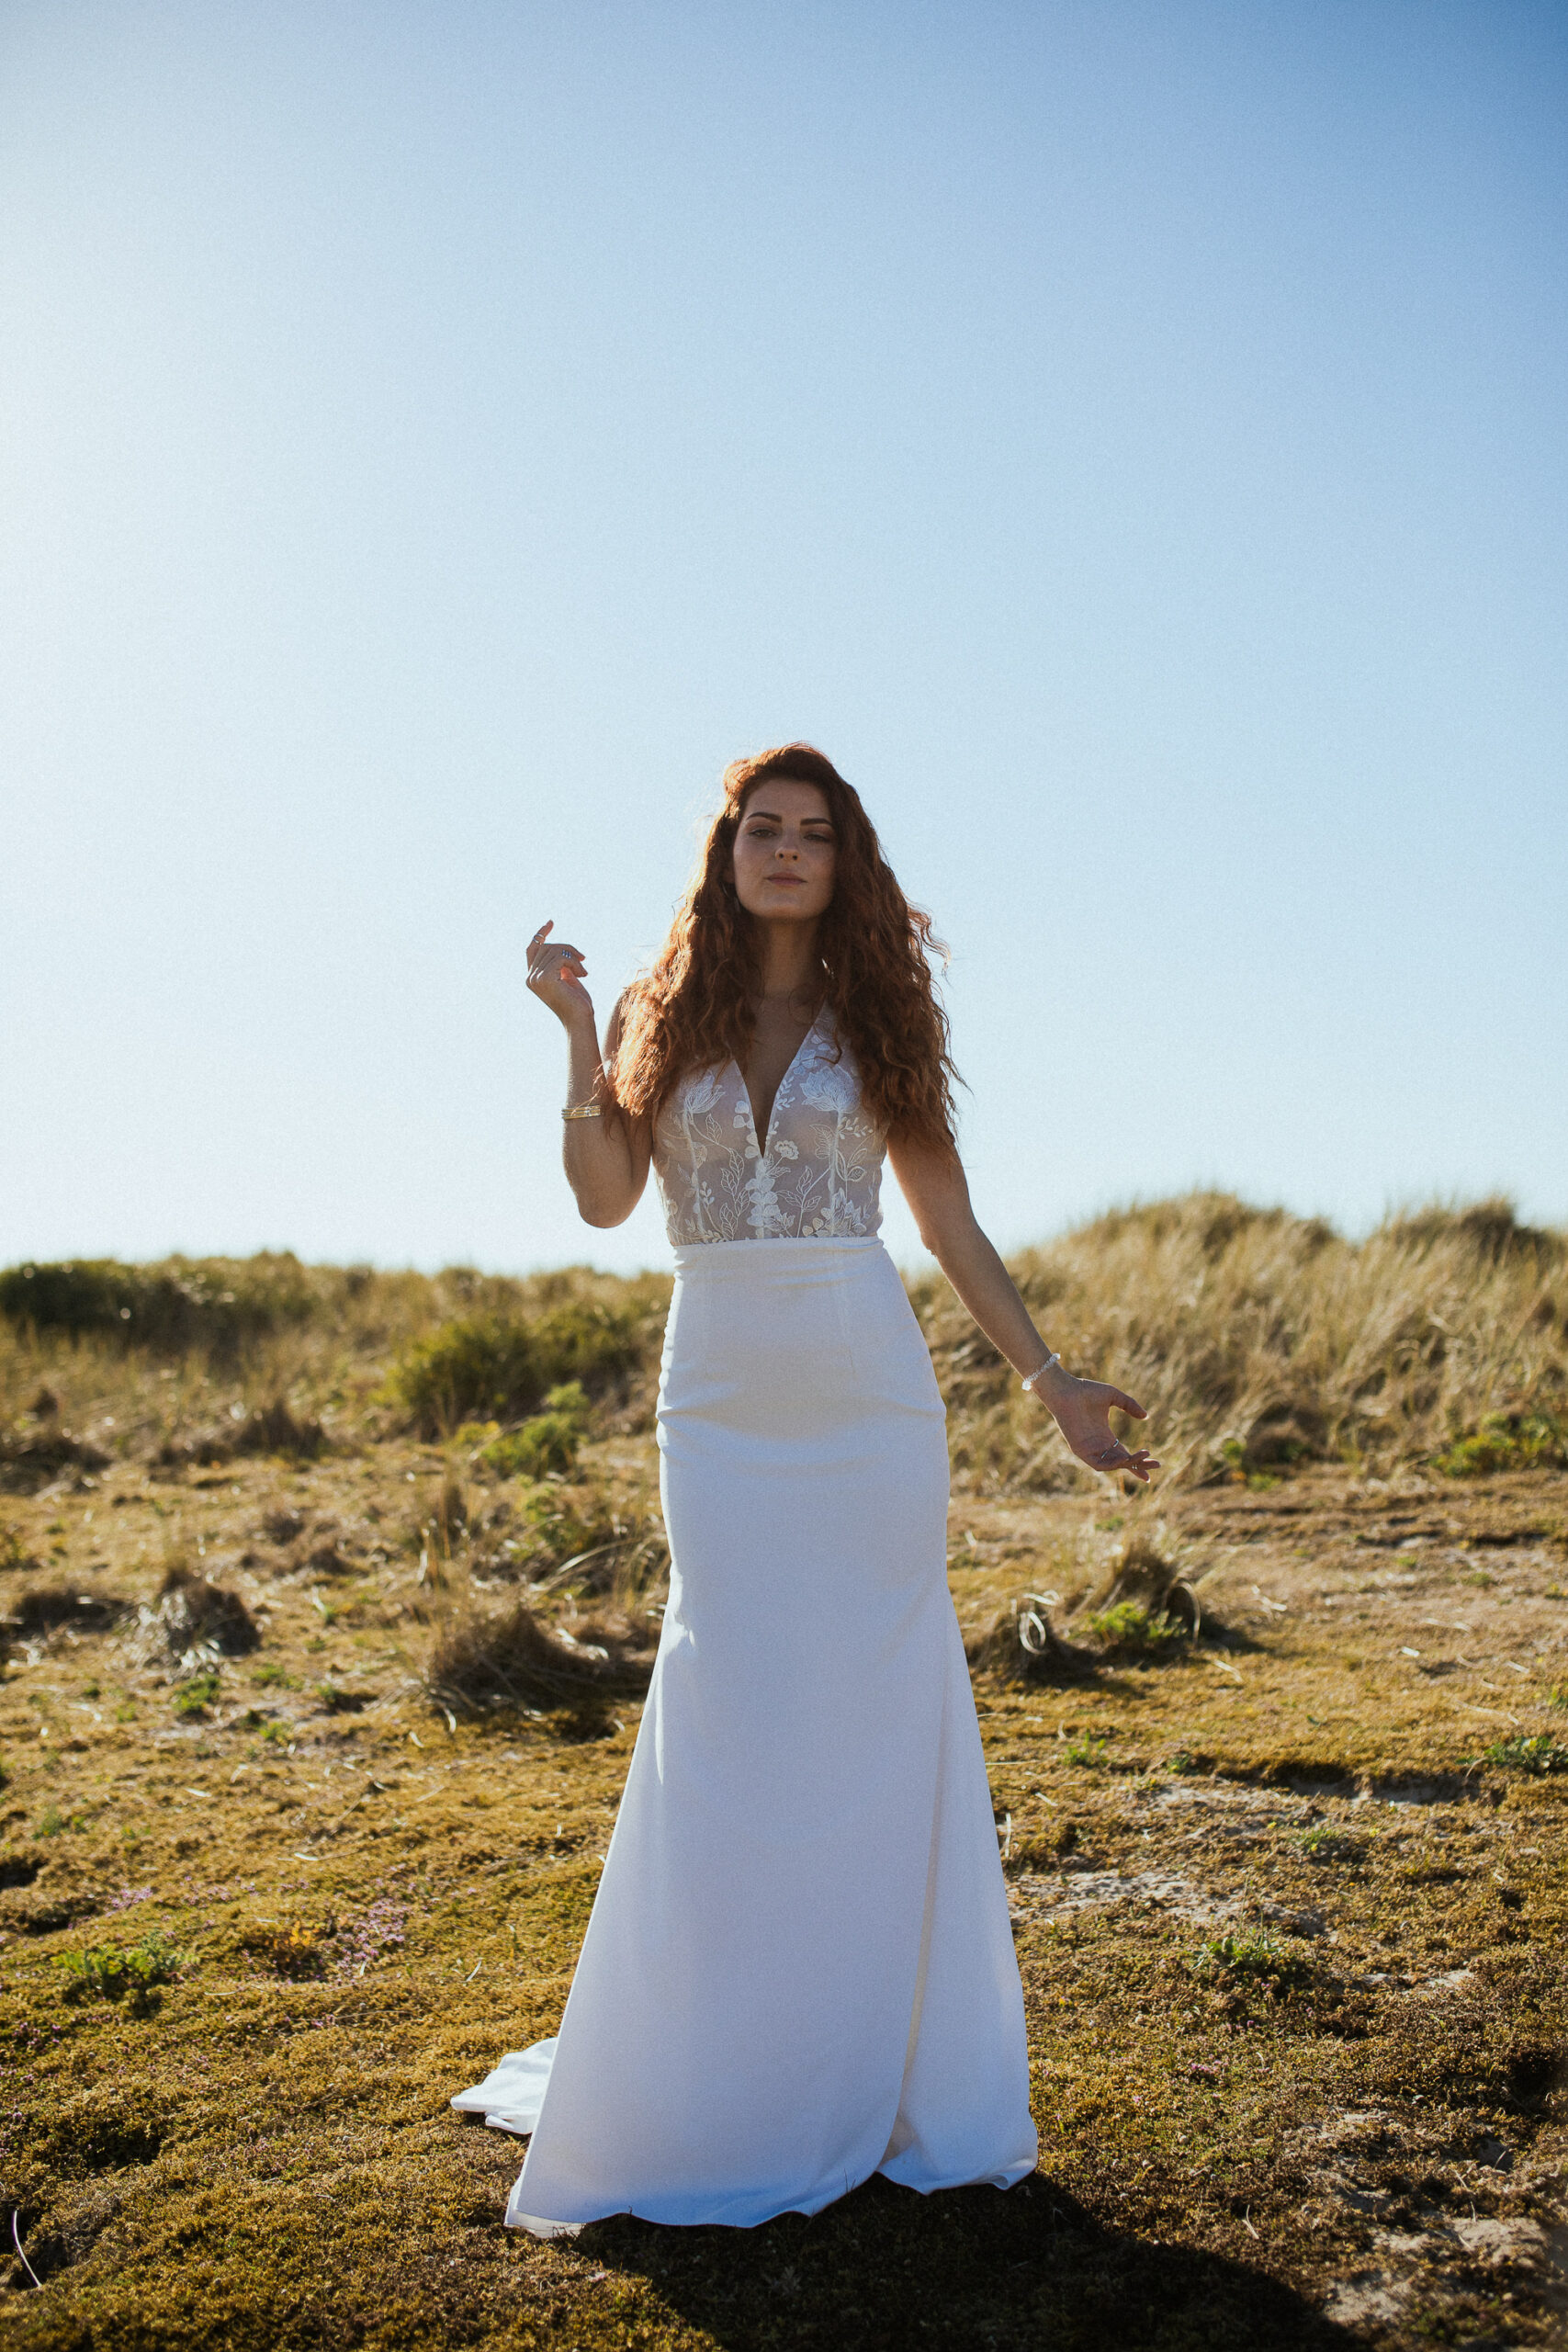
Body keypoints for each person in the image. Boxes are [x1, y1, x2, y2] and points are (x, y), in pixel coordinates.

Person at [454, 743, 1156, 2235]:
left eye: (813, 833)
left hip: (865, 1393)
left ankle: (878, 2059)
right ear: (726, 852)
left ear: (845, 860)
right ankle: (719, 2061)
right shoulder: (662, 1010)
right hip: (717, 1391)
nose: (785, 851)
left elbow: (946, 1219)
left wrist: (1050, 1384)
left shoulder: (879, 1014)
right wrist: (579, 1036)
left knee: (870, 1698)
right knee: (731, 1693)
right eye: (762, 829)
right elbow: (601, 1197)